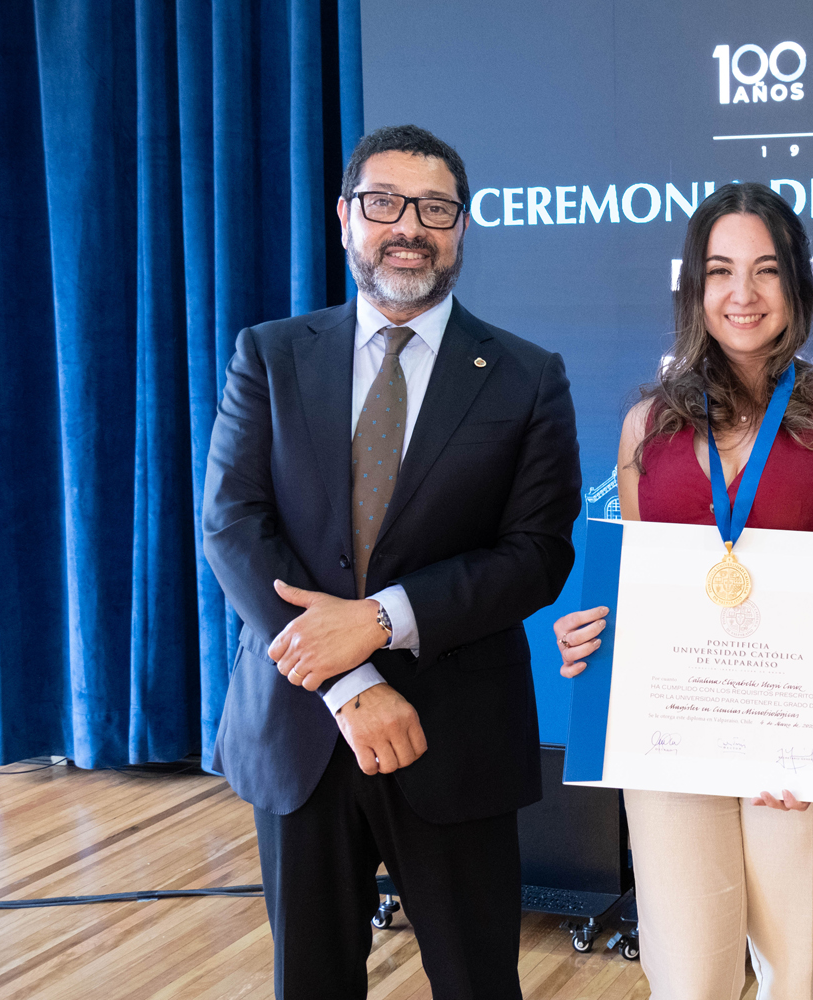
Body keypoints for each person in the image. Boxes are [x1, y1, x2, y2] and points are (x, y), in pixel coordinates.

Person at [203, 124, 581, 1000]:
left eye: (435, 209)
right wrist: (349, 682)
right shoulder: (269, 354)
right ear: (345, 218)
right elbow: (232, 526)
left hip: (457, 738)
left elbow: (536, 555)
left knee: (478, 985)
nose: (409, 226)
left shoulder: (528, 377)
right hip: (303, 727)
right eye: (384, 204)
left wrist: (378, 621)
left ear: (462, 227)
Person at [552, 182, 813, 1000]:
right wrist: (596, 634)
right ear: (694, 286)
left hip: (804, 754)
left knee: (800, 976)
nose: (742, 293)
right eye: (720, 271)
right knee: (688, 978)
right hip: (674, 743)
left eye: (766, 270)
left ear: (798, 283)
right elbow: (645, 588)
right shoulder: (648, 426)